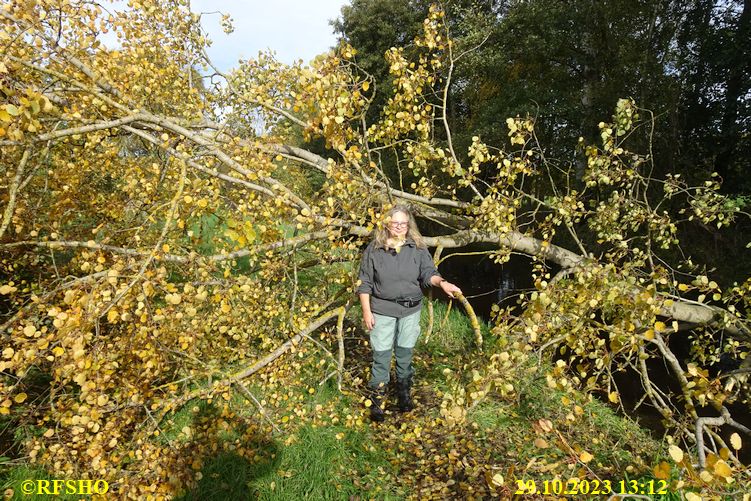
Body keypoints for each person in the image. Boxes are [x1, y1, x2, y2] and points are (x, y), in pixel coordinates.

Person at [356, 205, 462, 422]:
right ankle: (378, 400)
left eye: (404, 224)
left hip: (410, 310)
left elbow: (428, 273)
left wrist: (442, 283)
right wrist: (367, 311)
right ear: (386, 223)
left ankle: (404, 393)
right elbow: (364, 283)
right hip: (382, 309)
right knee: (382, 356)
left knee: (404, 354)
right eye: (396, 223)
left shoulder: (418, 247)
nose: (400, 228)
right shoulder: (374, 249)